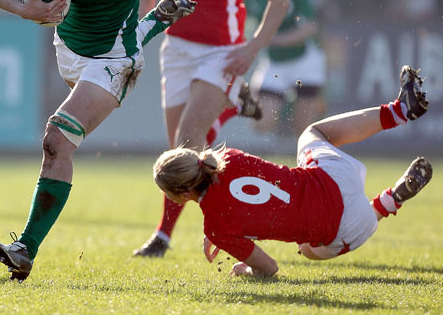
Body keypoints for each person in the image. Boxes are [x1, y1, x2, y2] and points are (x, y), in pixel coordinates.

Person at [0, 0, 297, 282]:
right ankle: (156, 24)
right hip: (71, 54)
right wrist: (23, 8)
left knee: (57, 140)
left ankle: (25, 248)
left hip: (115, 62)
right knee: (70, 139)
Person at [134, 0, 291, 257]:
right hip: (177, 52)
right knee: (177, 153)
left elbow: (280, 1)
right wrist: (130, 41)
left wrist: (251, 48)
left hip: (222, 54)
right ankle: (232, 107)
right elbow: (145, 0)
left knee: (187, 142)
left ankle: (165, 237)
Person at [153, 65, 431, 278]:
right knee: (313, 133)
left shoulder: (216, 227)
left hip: (347, 227)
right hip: (335, 177)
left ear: (182, 195)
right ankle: (398, 111)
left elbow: (269, 268)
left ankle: (389, 201)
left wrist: (245, 267)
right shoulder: (227, 157)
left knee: (308, 249)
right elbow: (251, 195)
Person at [245, 0, 327, 135]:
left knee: (304, 129)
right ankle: (284, 106)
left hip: (304, 62)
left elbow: (310, 27)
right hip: (275, 63)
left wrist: (275, 39)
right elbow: (238, 19)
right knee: (261, 122)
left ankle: (294, 110)